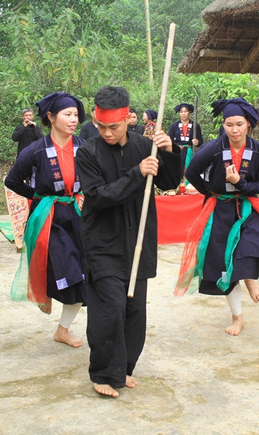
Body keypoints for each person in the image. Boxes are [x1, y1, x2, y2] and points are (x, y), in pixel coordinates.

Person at [75, 86, 183, 398]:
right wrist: (137, 173)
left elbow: (168, 182)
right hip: (102, 243)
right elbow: (97, 196)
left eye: (114, 126)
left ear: (128, 119)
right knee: (109, 308)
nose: (107, 133)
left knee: (134, 310)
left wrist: (169, 151)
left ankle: (124, 367)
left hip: (138, 240)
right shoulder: (88, 152)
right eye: (101, 127)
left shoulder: (144, 146)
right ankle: (104, 373)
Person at [176, 98, 259, 336]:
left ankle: (250, 277)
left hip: (246, 208)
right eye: (229, 124)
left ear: (248, 125)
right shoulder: (213, 148)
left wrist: (239, 182)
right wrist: (210, 191)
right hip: (219, 210)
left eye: (239, 124)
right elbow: (191, 172)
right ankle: (237, 316)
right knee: (224, 264)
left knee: (253, 245)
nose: (234, 129)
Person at [5, 92, 87, 348]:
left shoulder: (84, 147)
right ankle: (46, 291)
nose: (73, 120)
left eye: (75, 115)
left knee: (83, 275)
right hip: (49, 215)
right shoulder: (36, 151)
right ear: (51, 117)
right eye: (67, 114)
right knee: (62, 262)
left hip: (76, 212)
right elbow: (12, 181)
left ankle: (62, 329)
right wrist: (40, 197)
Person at [167, 102, 203, 191]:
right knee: (176, 169)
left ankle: (188, 187)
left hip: (189, 151)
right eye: (181, 112)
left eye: (185, 111)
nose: (183, 113)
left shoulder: (195, 126)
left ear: (189, 112)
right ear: (179, 113)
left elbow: (200, 141)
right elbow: (169, 139)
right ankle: (176, 187)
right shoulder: (174, 126)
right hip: (177, 150)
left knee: (188, 169)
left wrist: (197, 142)